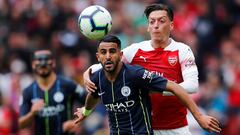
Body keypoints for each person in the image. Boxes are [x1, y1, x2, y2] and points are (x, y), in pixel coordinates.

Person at [84, 3, 199, 135]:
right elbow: (107, 62)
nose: (156, 25)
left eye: (161, 21)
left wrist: (158, 89)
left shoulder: (182, 50)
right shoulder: (135, 50)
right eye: (152, 22)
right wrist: (87, 73)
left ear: (171, 25)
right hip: (144, 128)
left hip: (176, 127)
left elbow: (192, 86)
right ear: (148, 27)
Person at [74, 35, 221, 135]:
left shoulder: (135, 74)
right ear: (97, 56)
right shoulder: (97, 78)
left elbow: (175, 87)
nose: (108, 56)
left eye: (112, 51)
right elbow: (93, 95)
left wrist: (199, 116)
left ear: (120, 54)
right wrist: (86, 112)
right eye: (103, 52)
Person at [18, 49, 86, 135]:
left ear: (53, 63)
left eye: (46, 65)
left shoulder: (68, 84)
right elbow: (21, 124)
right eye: (40, 65)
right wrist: (32, 113)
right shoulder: (28, 91)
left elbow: (90, 101)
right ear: (33, 65)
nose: (43, 68)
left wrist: (77, 122)